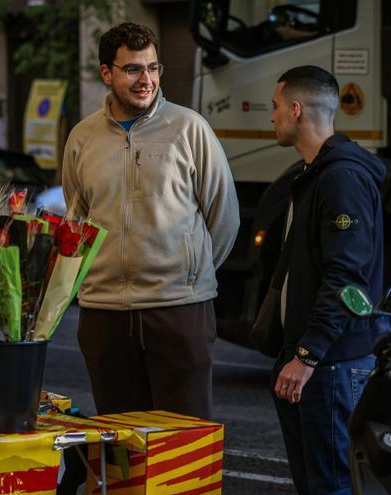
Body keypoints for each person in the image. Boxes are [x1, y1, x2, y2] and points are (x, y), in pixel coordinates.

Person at [61, 22, 239, 421]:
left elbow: (224, 217)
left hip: (178, 310)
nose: (147, 80)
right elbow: (78, 219)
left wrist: (191, 274)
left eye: (153, 68)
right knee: (122, 442)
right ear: (107, 73)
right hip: (103, 313)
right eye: (132, 69)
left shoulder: (189, 128)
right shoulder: (82, 138)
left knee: (184, 441)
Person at [268, 65, 385, 495]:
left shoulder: (341, 178)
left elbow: (346, 278)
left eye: (276, 106)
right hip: (318, 363)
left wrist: (307, 355)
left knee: (333, 486)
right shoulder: (317, 173)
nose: (273, 116)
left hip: (331, 366)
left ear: (296, 109)